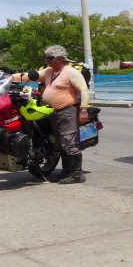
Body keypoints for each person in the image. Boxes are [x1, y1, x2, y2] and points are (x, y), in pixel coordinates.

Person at [12, 45, 90, 183]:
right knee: (60, 144)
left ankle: (77, 174)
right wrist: (8, 77)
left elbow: (84, 91)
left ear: (60, 59)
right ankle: (67, 172)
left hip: (67, 111)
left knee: (69, 142)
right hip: (52, 112)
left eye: (49, 58)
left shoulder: (71, 72)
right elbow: (29, 76)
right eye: (46, 57)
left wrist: (83, 110)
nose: (47, 60)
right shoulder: (49, 72)